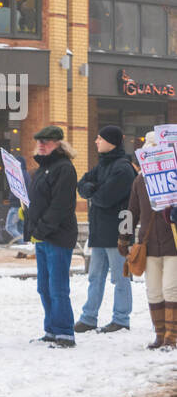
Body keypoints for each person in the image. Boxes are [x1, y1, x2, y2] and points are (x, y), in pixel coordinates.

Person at [75, 125, 136, 334]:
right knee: (95, 276)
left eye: (99, 138)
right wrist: (90, 189)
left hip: (118, 232)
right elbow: (82, 184)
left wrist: (92, 190)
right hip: (100, 231)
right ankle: (89, 317)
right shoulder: (101, 165)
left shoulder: (123, 168)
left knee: (120, 277)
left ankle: (121, 318)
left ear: (111, 142)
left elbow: (104, 197)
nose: (96, 141)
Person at [25, 126, 79, 348]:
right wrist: (28, 219)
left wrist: (42, 228)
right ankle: (51, 329)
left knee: (58, 287)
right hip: (43, 236)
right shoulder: (42, 169)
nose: (41, 144)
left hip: (58, 237)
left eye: (46, 141)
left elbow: (60, 206)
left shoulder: (64, 168)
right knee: (44, 286)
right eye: (39, 141)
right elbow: (38, 202)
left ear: (58, 144)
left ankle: (65, 332)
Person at [122, 131, 177, 349]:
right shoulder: (139, 180)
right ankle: (160, 334)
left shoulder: (174, 178)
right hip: (147, 243)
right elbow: (130, 212)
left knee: (171, 288)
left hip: (173, 242)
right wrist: (123, 237)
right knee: (153, 290)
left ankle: (172, 337)